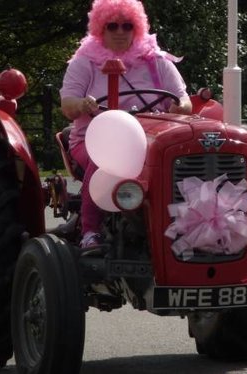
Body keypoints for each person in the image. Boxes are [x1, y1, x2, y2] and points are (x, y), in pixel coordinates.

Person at [60, 0, 192, 247]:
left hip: (151, 140)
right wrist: (82, 105)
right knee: (108, 157)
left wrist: (181, 107)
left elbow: (183, 99)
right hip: (94, 138)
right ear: (101, 27)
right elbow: (67, 105)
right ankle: (90, 230)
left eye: (127, 25)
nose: (120, 31)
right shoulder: (85, 62)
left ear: (137, 27)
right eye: (112, 26)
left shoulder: (157, 61)